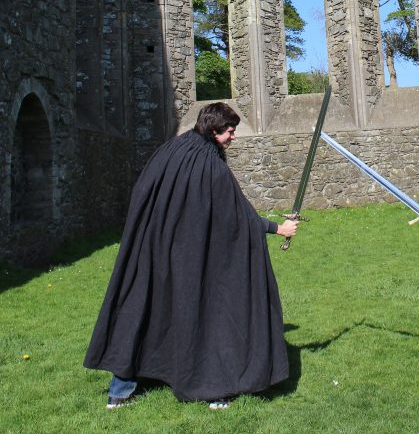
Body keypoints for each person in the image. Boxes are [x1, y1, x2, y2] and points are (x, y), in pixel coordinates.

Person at [84, 102, 299, 409]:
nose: (233, 137)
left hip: (156, 249)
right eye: (229, 132)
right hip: (188, 252)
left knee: (143, 311)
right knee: (210, 314)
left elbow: (144, 191)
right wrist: (278, 228)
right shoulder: (210, 164)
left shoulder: (173, 148)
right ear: (213, 131)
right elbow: (236, 215)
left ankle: (119, 392)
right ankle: (213, 389)